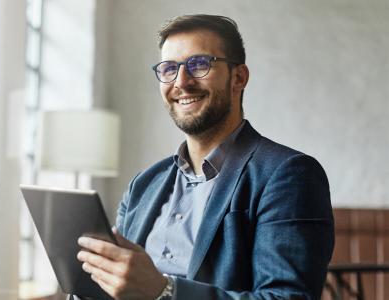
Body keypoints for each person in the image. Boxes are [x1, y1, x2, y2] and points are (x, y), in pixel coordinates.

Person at [75, 14, 334, 300]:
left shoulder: (289, 174)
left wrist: (164, 292)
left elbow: (288, 297)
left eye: (199, 65)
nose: (181, 82)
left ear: (239, 78)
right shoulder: (143, 185)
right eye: (169, 68)